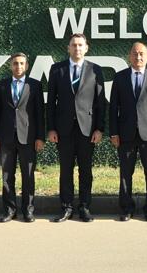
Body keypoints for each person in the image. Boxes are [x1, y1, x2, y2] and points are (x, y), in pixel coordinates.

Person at [46, 33, 107, 223]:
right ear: (68, 48)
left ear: (86, 48)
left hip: (87, 129)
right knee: (66, 170)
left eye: (81, 45)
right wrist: (51, 129)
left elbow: (100, 103)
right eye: (74, 45)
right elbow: (51, 103)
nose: (77, 48)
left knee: (85, 170)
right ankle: (66, 207)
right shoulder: (57, 70)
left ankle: (84, 207)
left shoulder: (95, 70)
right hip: (63, 130)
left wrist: (99, 129)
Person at [109, 42, 147, 221]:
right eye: (135, 54)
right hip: (125, 133)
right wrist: (114, 133)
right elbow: (113, 108)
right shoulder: (120, 78)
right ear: (129, 56)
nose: (138, 57)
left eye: (142, 53)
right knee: (125, 174)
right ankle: (127, 208)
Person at [0, 53, 45, 223]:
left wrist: (40, 137)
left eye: (21, 63)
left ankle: (28, 210)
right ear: (10, 66)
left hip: (28, 137)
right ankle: (9, 210)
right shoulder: (1, 85)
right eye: (15, 63)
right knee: (7, 176)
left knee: (28, 175)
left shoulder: (34, 86)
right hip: (5, 137)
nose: (18, 66)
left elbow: (39, 114)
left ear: (27, 66)